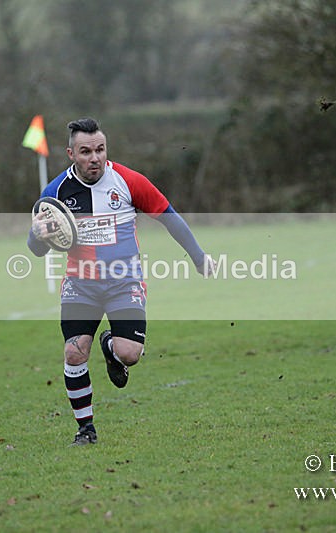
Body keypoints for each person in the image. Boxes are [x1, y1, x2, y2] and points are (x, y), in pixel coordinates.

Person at [27, 117, 213, 445]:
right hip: (80, 283)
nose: (94, 157)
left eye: (100, 149)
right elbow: (38, 249)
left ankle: (111, 345)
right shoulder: (55, 193)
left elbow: (170, 217)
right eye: (86, 151)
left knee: (130, 354)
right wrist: (36, 235)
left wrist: (198, 257)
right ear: (71, 153)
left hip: (123, 282)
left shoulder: (128, 181)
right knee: (74, 352)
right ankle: (86, 429)